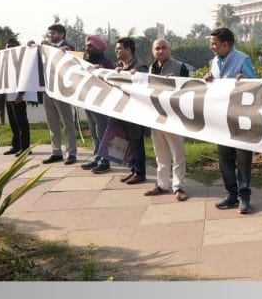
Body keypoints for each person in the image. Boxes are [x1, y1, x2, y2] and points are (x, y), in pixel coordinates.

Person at [205, 27, 256, 214]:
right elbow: (214, 85)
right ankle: (231, 194)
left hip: (241, 118)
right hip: (221, 118)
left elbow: (255, 85)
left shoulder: (243, 59)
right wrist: (208, 79)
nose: (212, 47)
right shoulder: (214, 62)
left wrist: (246, 80)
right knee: (224, 158)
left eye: (214, 44)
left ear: (226, 44)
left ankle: (244, 196)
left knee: (243, 159)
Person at [143, 39, 190, 202]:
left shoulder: (180, 67)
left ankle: (179, 187)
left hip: (174, 118)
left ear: (170, 49)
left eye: (164, 48)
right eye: (157, 48)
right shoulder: (151, 68)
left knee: (177, 156)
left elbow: (187, 92)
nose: (160, 51)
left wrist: (173, 85)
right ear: (152, 51)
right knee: (160, 154)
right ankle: (162, 184)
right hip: (156, 117)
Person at [40, 24, 78, 165]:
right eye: (49, 33)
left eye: (54, 33)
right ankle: (56, 152)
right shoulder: (46, 47)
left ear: (62, 34)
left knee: (67, 122)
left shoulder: (69, 47)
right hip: (48, 88)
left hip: (62, 90)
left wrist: (65, 52)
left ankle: (71, 153)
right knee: (52, 122)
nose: (50, 36)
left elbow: (76, 62)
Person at [114, 37, 149, 185]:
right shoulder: (118, 66)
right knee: (128, 141)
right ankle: (133, 169)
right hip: (122, 110)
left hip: (135, 111)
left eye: (119, 49)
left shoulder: (140, 68)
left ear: (128, 50)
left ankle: (140, 172)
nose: (116, 51)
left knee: (136, 141)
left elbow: (144, 86)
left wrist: (131, 75)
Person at [80, 34, 115, 173]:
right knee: (94, 132)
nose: (87, 48)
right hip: (88, 101)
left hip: (101, 103)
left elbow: (111, 81)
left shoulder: (106, 63)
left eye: (90, 45)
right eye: (87, 45)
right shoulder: (84, 62)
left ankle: (105, 160)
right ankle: (97, 156)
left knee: (102, 132)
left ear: (99, 47)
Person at [0, 38, 36, 155]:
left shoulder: (21, 61)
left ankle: (25, 148)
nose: (9, 48)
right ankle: (16, 146)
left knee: (22, 123)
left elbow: (25, 77)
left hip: (18, 96)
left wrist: (21, 94)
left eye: (12, 46)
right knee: (13, 123)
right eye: (7, 46)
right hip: (8, 96)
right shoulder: (5, 60)